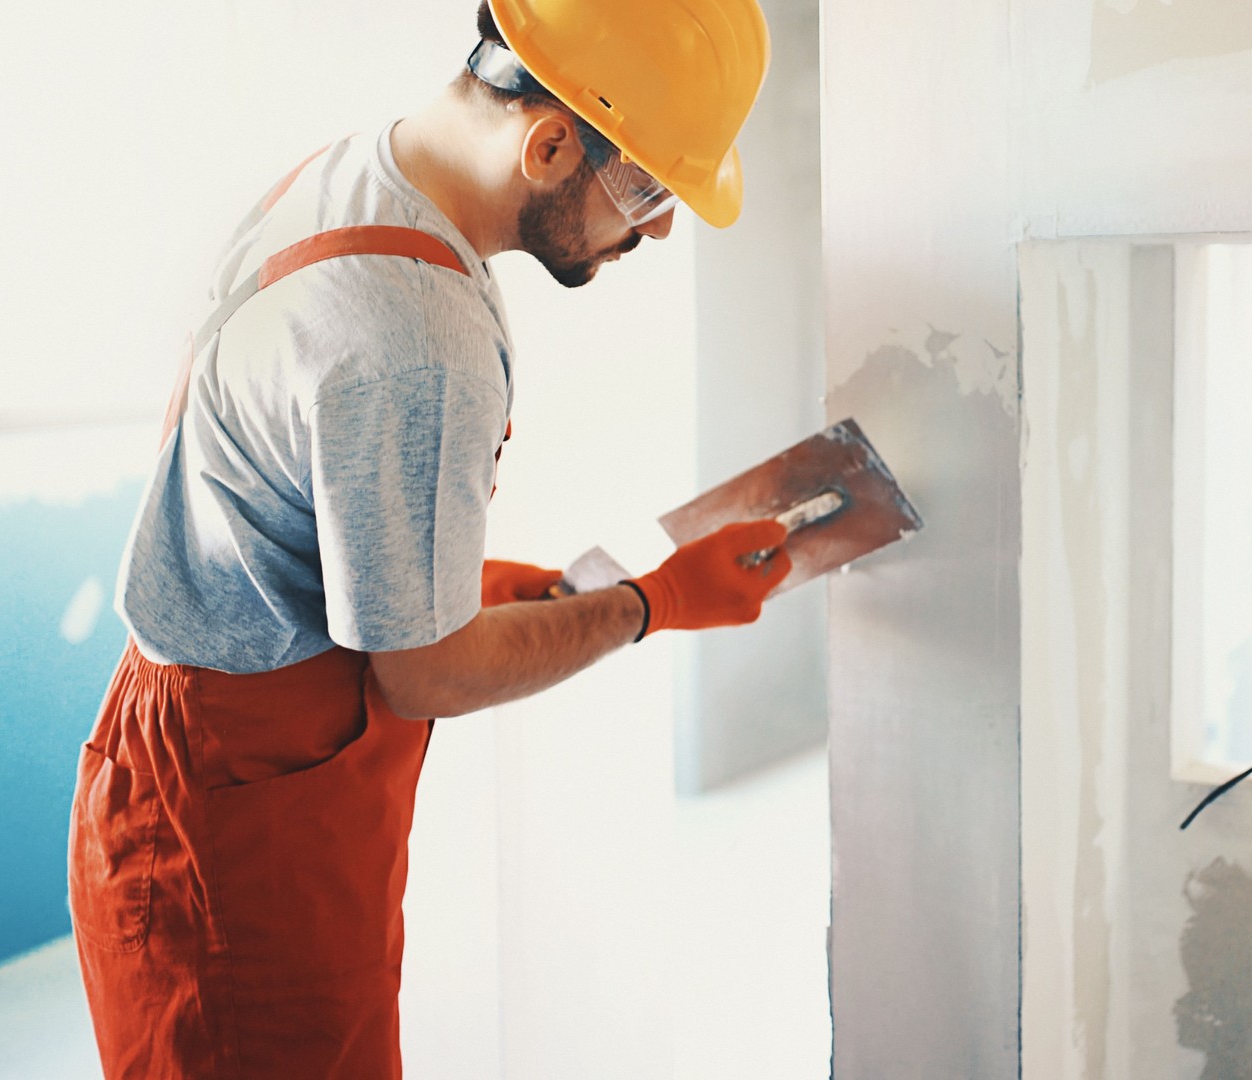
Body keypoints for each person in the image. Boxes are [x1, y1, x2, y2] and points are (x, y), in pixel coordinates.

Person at [67, 1, 776, 1076]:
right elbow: (423, 672)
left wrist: (473, 585)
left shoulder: (357, 173)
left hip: (209, 761)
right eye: (649, 188)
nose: (660, 227)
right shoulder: (418, 333)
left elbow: (302, 509)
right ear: (549, 143)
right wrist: (654, 603)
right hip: (242, 845)